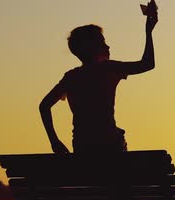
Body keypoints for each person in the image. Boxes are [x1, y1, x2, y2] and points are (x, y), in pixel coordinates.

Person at [39, 1, 158, 154]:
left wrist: (54, 142)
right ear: (91, 47)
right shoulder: (108, 68)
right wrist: (148, 32)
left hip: (83, 147)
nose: (108, 46)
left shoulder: (71, 78)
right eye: (103, 42)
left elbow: (44, 106)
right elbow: (147, 64)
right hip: (110, 146)